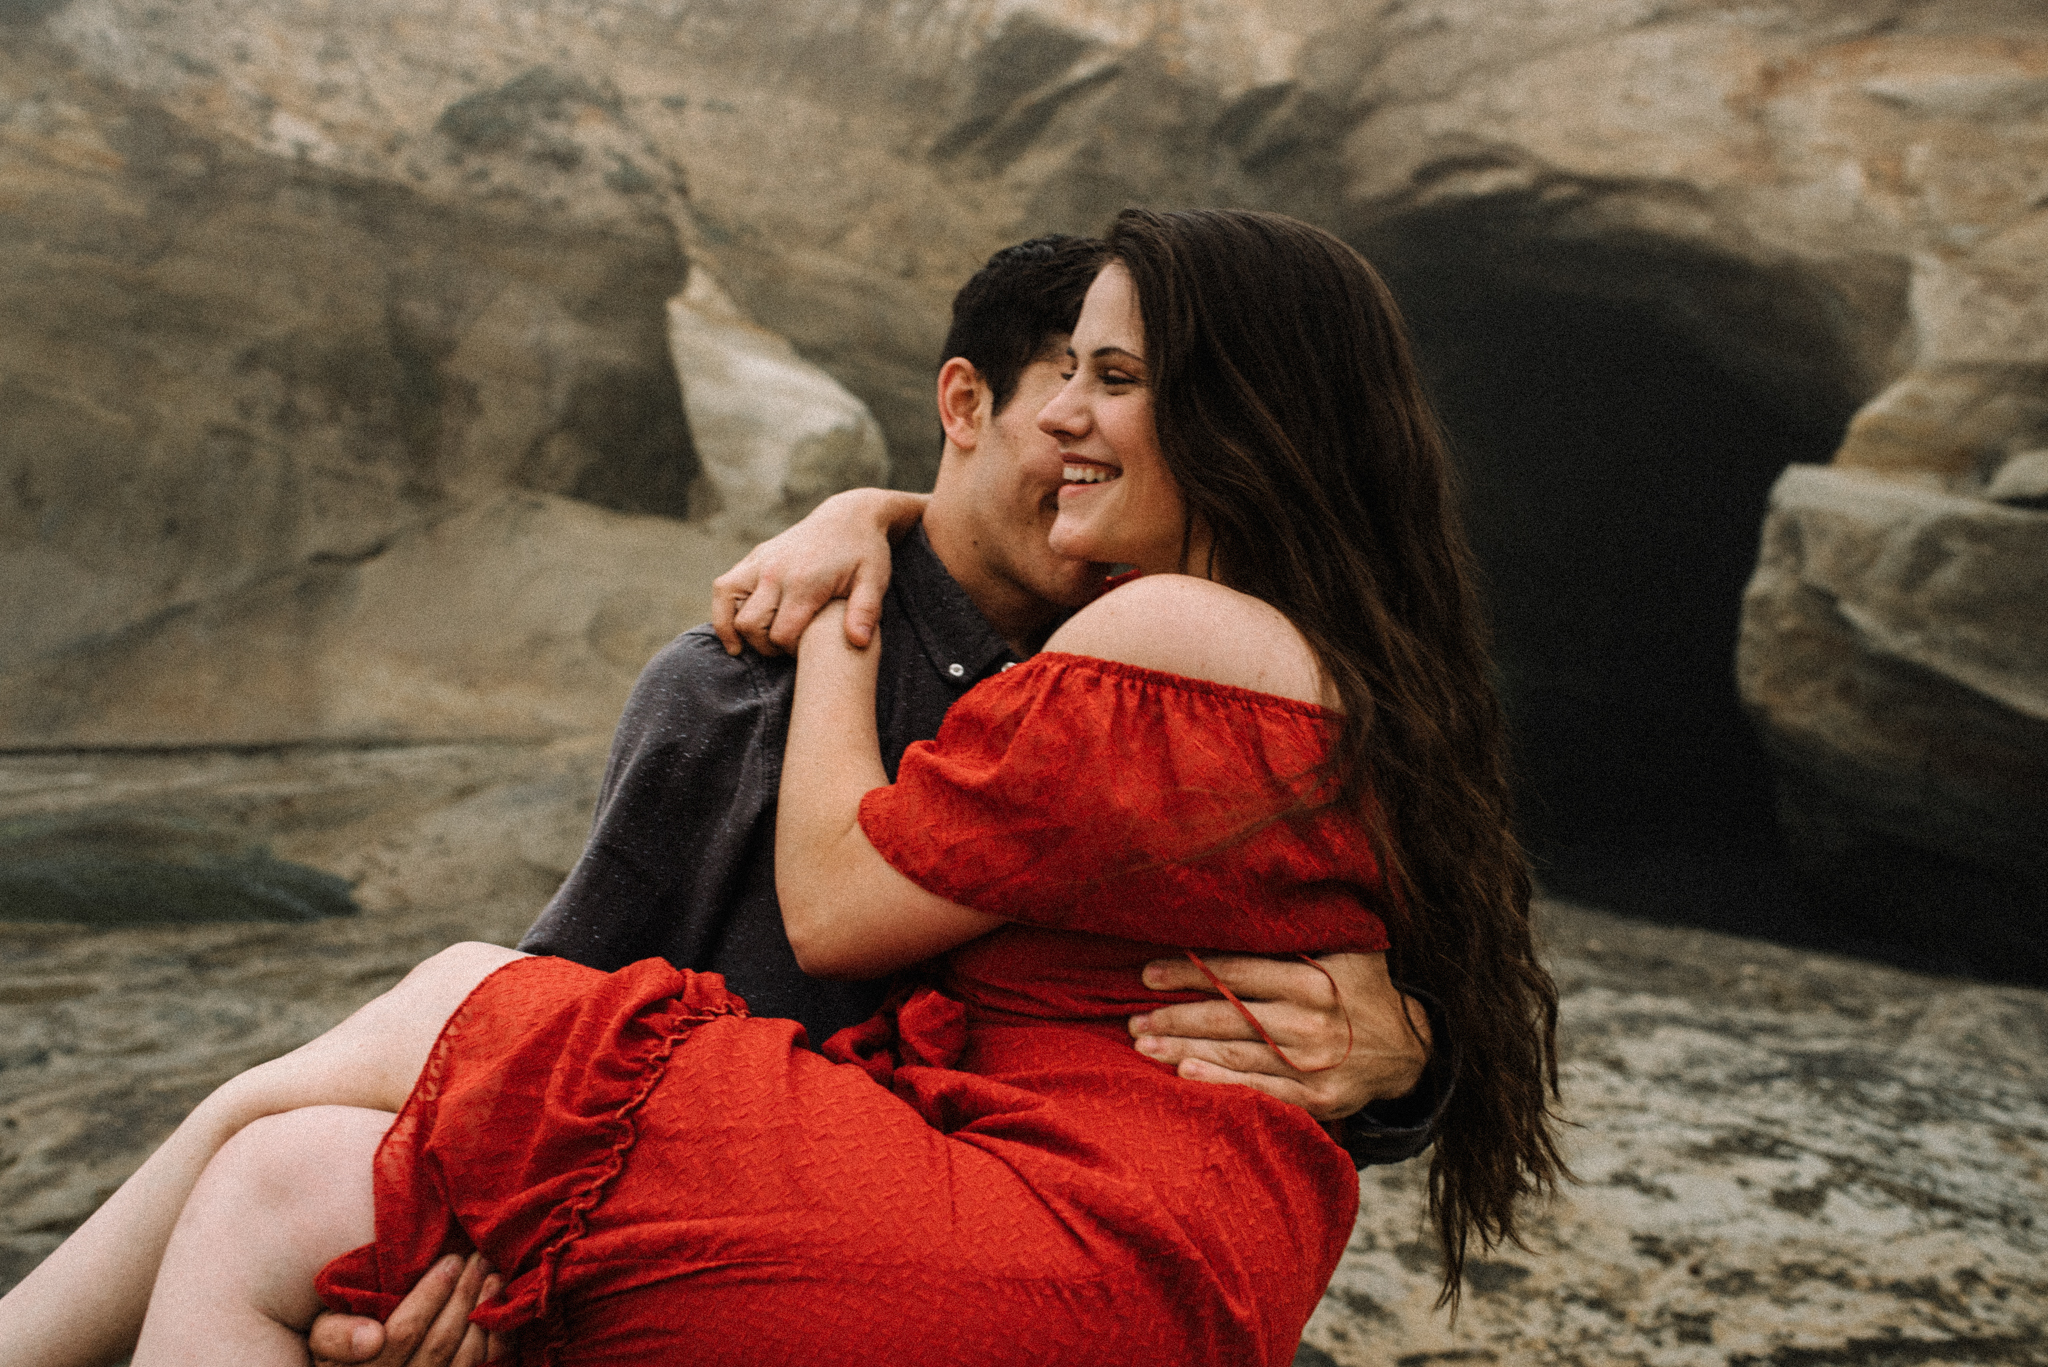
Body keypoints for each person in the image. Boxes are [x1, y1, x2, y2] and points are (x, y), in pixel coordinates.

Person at [0, 208, 1562, 1367]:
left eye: (1119, 378)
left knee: (351, 1082)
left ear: (1240, 410)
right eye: (1060, 382)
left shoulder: (1152, 649)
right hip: (994, 1238)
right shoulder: (1326, 665)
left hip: (1017, 1252)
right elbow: (581, 996)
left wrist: (1404, 1048)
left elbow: (835, 912)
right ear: (965, 410)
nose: (1076, 424)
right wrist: (860, 530)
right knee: (307, 1143)